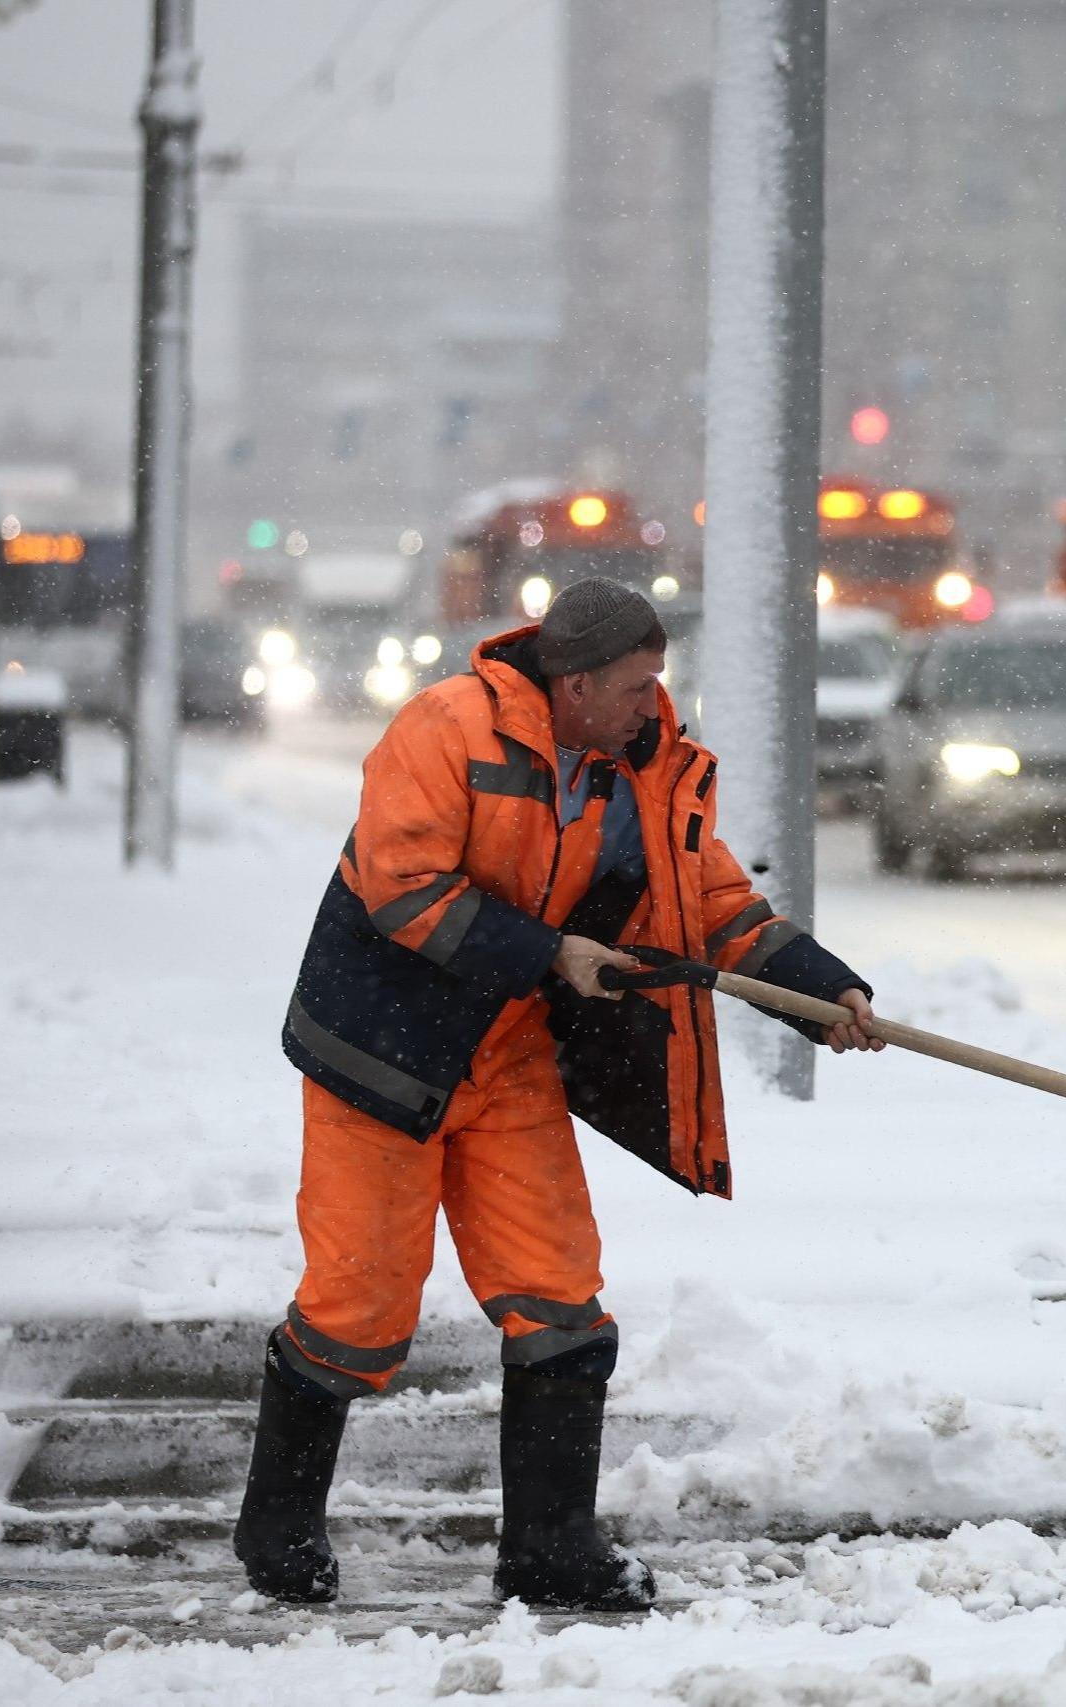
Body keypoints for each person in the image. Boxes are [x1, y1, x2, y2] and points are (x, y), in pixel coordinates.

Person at [240, 578, 883, 1613]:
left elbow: (710, 900)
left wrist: (821, 992)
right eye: (634, 686)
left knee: (558, 1298)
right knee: (359, 1307)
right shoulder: (446, 726)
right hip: (382, 1057)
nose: (651, 703)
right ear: (575, 682)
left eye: (656, 683)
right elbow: (402, 887)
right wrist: (550, 952)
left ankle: (548, 1548)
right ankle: (277, 1522)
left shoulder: (643, 767)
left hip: (505, 1058)